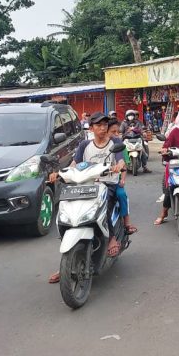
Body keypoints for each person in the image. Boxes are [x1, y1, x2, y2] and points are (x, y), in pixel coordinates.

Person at [47, 112, 130, 284]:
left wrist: (119, 166)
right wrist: (59, 174)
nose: (102, 128)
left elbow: (121, 160)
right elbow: (74, 164)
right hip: (84, 185)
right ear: (91, 128)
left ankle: (112, 238)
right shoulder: (84, 144)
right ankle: (66, 262)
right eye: (98, 125)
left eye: (105, 125)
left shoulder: (115, 142)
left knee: (103, 202)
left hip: (107, 184)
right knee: (67, 210)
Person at [120, 108, 151, 173]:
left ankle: (144, 167)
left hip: (137, 139)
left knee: (143, 153)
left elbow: (141, 130)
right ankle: (121, 166)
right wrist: (120, 134)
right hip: (127, 139)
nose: (130, 116)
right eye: (129, 115)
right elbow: (120, 131)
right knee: (122, 152)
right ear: (126, 116)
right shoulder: (123, 123)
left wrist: (143, 133)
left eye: (132, 115)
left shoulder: (138, 122)